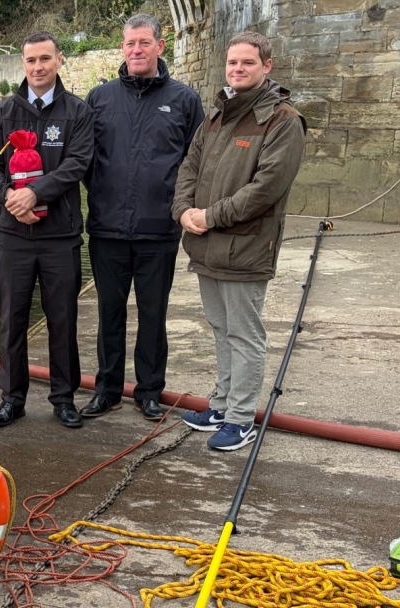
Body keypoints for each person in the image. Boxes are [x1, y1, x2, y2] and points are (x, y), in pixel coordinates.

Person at [171, 31, 306, 451]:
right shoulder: (216, 115)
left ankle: (241, 418)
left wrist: (210, 216)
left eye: (248, 62)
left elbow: (266, 188)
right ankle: (221, 405)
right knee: (221, 328)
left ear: (267, 66)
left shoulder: (283, 120)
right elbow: (189, 168)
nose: (238, 69)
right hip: (207, 245)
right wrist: (183, 210)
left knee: (245, 335)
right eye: (233, 62)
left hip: (246, 248)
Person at [79, 14, 205, 423]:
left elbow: (195, 163)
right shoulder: (100, 98)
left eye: (144, 42)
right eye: (130, 43)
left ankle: (149, 392)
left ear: (159, 46)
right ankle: (107, 390)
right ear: (122, 48)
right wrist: (102, 195)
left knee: (153, 315)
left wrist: (178, 207)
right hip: (108, 229)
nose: (136, 50)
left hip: (159, 230)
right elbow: (84, 160)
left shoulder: (184, 100)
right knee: (109, 315)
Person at [0, 31, 95, 429]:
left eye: (45, 58)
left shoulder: (78, 112)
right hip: (11, 236)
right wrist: (10, 197)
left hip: (60, 235)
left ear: (59, 60)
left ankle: (64, 398)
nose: (38, 67)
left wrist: (36, 193)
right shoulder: (3, 112)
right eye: (31, 60)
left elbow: (77, 163)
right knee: (11, 319)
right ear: (23, 64)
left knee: (62, 318)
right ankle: (12, 400)